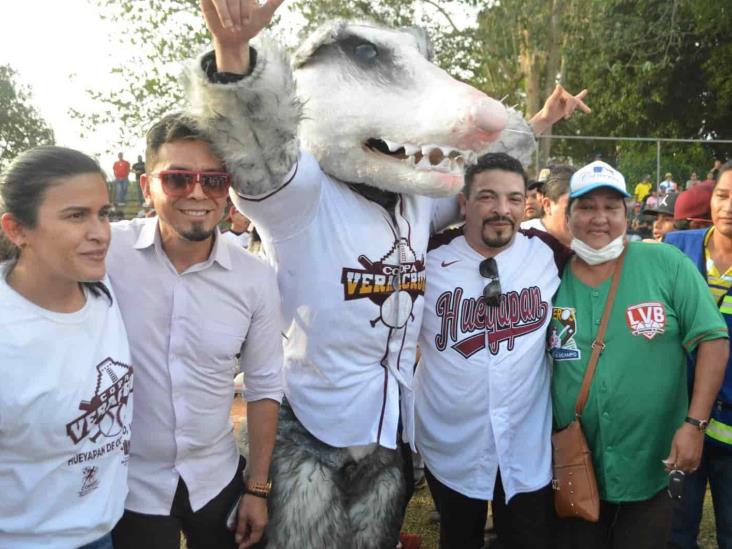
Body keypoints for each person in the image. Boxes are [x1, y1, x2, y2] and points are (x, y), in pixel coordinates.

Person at [184, 1, 591, 547]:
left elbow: (485, 186)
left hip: (386, 430)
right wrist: (235, 59)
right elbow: (258, 150)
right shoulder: (302, 196)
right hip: (309, 424)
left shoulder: (416, 203)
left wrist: (537, 124)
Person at [107, 113, 284, 549]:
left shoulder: (255, 278)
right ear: (147, 186)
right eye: (178, 179)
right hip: (130, 486)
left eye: (214, 180)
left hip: (217, 478)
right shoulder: (106, 254)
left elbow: (263, 387)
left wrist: (257, 489)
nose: (198, 193)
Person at [550, 160, 728, 549]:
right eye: (587, 206)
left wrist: (694, 424)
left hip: (652, 463)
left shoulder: (665, 264)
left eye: (611, 207)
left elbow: (713, 339)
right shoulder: (549, 277)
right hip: (574, 466)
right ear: (569, 214)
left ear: (626, 214)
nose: (600, 218)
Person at [415, 153, 570, 549]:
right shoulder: (427, 258)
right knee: (458, 536)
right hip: (450, 437)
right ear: (463, 203)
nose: (503, 210)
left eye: (514, 199)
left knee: (528, 538)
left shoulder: (548, 253)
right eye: (488, 197)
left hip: (525, 437)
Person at [0, 146, 132, 549]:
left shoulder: (101, 287)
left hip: (104, 530)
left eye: (104, 213)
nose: (100, 233)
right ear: (17, 230)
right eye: (76, 215)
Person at [666, 162, 732, 549]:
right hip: (680, 424)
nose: (728, 207)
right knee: (675, 532)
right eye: (722, 196)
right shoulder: (678, 248)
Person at [520, 164, 575, 246]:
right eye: (541, 191)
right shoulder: (522, 235)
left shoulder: (588, 241)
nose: (542, 195)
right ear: (547, 204)